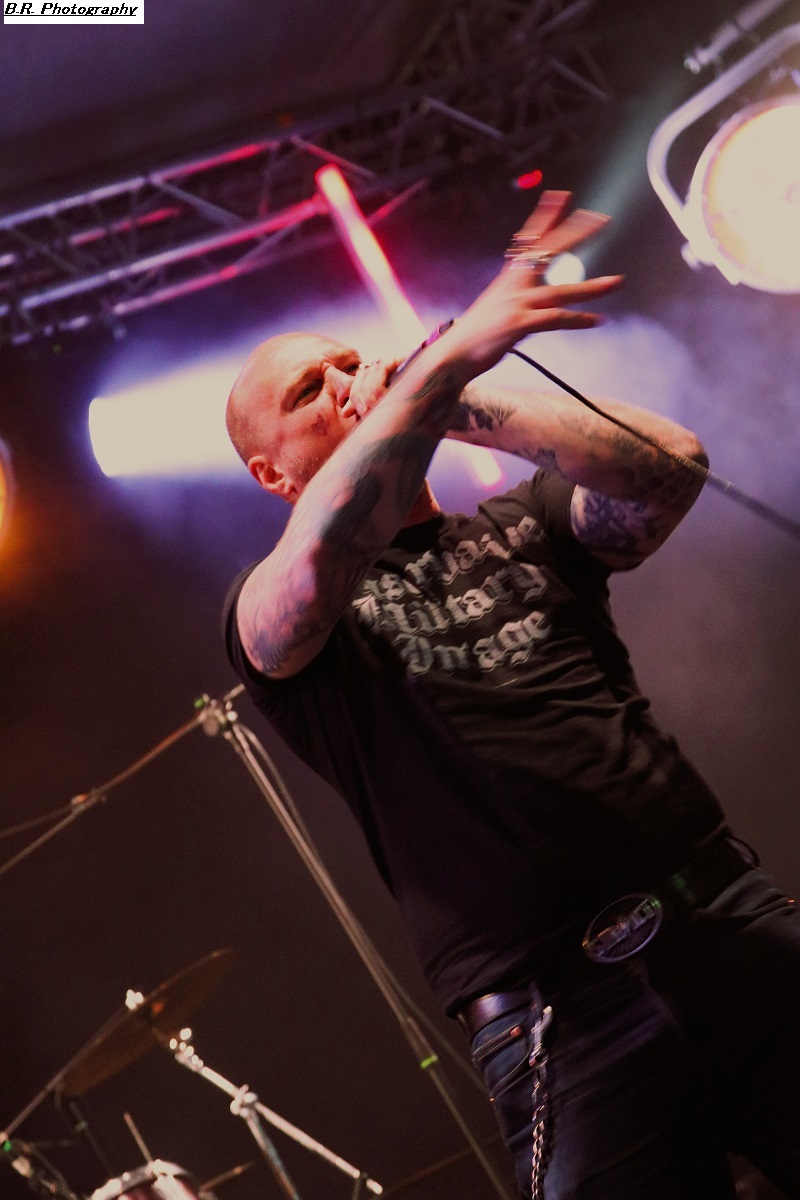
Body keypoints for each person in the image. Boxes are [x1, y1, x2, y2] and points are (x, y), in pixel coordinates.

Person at [222, 191, 800, 1199]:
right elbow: (316, 566)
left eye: (350, 362)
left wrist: (445, 390)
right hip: (556, 1020)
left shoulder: (525, 521)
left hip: (723, 923)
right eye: (310, 390)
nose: (347, 383)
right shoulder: (277, 608)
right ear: (271, 474)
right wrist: (437, 370)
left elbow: (670, 468)